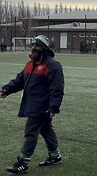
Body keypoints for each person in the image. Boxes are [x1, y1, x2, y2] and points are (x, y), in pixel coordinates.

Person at [1, 35, 64, 174]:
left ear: (45, 48)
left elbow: (57, 89)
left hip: (42, 107)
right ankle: (55, 156)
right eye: (33, 45)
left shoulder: (52, 65)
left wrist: (53, 107)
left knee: (31, 132)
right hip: (33, 104)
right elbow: (19, 80)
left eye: (38, 45)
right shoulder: (30, 64)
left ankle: (23, 162)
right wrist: (6, 89)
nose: (34, 48)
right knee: (46, 130)